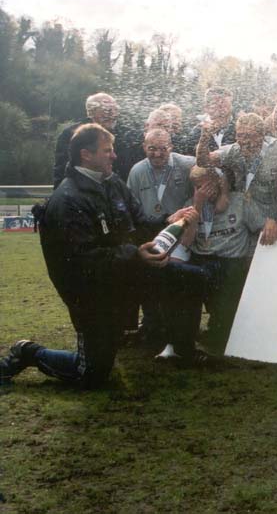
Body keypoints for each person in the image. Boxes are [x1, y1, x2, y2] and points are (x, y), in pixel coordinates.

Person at [0, 124, 205, 388]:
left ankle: (182, 350)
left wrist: (168, 220)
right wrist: (136, 255)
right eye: (107, 150)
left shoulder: (112, 182)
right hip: (91, 294)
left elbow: (140, 223)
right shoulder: (67, 200)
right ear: (86, 155)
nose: (114, 156)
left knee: (191, 278)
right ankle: (27, 351)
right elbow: (86, 261)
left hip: (126, 275)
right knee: (92, 374)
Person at [182, 166, 251, 355]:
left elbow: (259, 224)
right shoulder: (191, 203)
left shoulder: (239, 201)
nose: (204, 191)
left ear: (219, 183)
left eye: (207, 186)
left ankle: (220, 335)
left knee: (226, 292)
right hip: (201, 258)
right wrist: (196, 207)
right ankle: (188, 340)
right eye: (197, 187)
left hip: (231, 259)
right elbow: (186, 242)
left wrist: (270, 221)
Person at [53, 93, 119, 189]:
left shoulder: (124, 134)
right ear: (91, 112)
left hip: (116, 194)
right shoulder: (71, 134)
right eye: (107, 110)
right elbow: (61, 171)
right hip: (82, 192)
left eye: (115, 109)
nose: (112, 114)